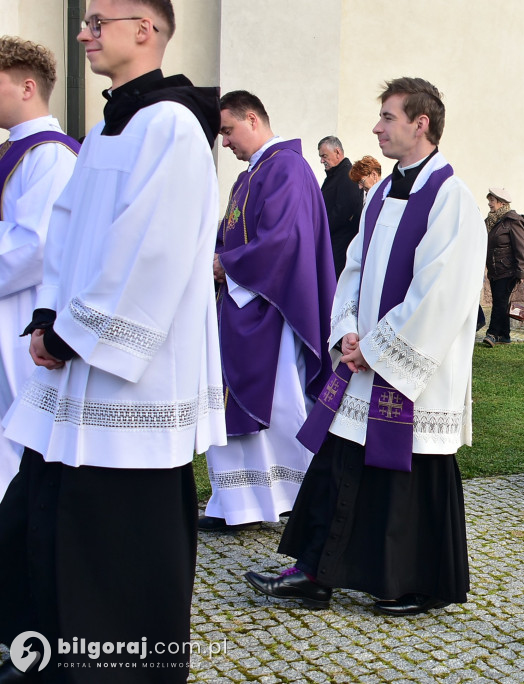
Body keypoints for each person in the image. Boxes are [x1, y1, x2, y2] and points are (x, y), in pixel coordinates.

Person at [0, 0, 227, 678]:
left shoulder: (175, 127)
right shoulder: (105, 128)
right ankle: (45, 659)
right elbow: (65, 235)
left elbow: (150, 252)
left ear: (145, 30)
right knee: (42, 522)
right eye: (86, 20)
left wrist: (73, 334)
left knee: (116, 544)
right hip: (74, 372)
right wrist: (47, 319)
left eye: (98, 22)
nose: (83, 32)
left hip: (130, 384)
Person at [245, 77, 485, 617]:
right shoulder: (377, 192)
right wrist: (348, 330)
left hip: (411, 371)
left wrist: (375, 348)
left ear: (421, 123)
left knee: (407, 474)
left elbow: (440, 294)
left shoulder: (453, 200)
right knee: (342, 461)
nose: (376, 127)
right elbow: (352, 268)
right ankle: (315, 572)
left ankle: (409, 581)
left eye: (388, 117)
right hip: (365, 359)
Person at [202, 90, 335, 532]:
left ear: (253, 119)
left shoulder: (288, 169)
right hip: (242, 305)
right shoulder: (253, 173)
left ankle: (293, 495)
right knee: (236, 407)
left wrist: (228, 265)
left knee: (278, 406)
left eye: (228, 130)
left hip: (271, 310)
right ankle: (237, 503)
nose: (225, 142)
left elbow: (285, 241)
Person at [0, 37, 79, 502]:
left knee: (19, 425)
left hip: (24, 310)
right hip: (8, 305)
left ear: (27, 87)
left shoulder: (50, 155)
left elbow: (38, 244)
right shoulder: (17, 150)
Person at [481, 187, 524, 347]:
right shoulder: (492, 221)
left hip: (508, 270)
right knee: (500, 301)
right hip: (495, 270)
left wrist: (522, 272)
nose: (489, 204)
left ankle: (492, 333)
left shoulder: (512, 221)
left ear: (501, 202)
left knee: (500, 302)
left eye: (492, 201)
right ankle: (505, 335)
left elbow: (521, 247)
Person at [318, 135, 364, 277]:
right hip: (332, 244)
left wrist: (321, 228)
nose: (321, 161)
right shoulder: (336, 175)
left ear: (337, 152)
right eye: (320, 157)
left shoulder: (347, 174)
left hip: (340, 248)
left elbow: (344, 211)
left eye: (324, 156)